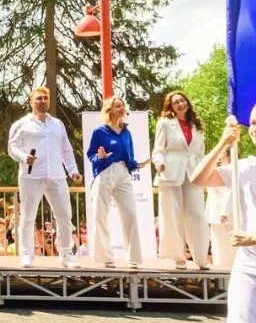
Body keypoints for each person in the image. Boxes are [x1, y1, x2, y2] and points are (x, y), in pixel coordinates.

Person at [194, 109, 256, 323]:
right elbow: (198, 179)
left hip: (250, 246)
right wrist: (222, 143)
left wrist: (253, 237)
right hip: (249, 264)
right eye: (254, 122)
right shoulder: (244, 167)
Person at [8, 86, 83, 269]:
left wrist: (73, 170)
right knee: (28, 217)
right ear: (31, 101)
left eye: (45, 98)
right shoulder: (21, 124)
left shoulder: (57, 124)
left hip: (57, 175)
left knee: (64, 216)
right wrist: (24, 157)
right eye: (39, 98)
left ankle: (66, 254)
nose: (42, 101)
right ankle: (27, 254)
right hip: (31, 176)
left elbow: (66, 149)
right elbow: (12, 147)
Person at [86, 97, 148, 268]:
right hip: (105, 172)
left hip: (123, 173)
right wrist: (100, 157)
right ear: (109, 110)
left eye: (123, 106)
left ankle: (133, 258)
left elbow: (130, 155)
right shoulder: (99, 131)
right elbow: (91, 154)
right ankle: (105, 256)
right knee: (100, 214)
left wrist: (137, 164)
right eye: (117, 106)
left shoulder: (127, 132)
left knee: (131, 214)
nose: (122, 108)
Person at [153, 91, 210, 270]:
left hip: (193, 172)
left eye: (182, 100)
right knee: (172, 215)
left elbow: (200, 153)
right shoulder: (165, 123)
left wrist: (205, 174)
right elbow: (158, 150)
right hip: (170, 172)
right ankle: (177, 257)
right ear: (170, 107)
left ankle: (200, 257)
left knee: (197, 214)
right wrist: (159, 163)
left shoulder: (196, 124)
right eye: (176, 102)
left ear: (187, 102)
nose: (180, 104)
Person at [206, 150, 236, 270]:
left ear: (228, 154)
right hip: (214, 215)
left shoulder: (232, 168)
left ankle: (231, 271)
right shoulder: (215, 170)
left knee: (232, 248)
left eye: (221, 154)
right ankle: (220, 271)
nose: (218, 157)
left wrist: (225, 211)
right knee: (218, 247)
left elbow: (232, 191)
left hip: (229, 216)